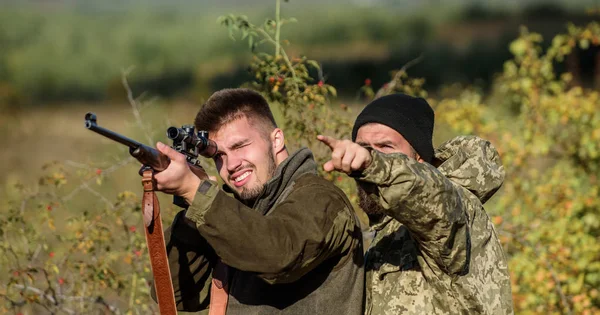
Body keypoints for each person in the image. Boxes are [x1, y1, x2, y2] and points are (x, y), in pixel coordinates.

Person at [150, 88, 364, 315]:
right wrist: (193, 211)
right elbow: (176, 295)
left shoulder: (322, 199)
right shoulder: (235, 213)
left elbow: (278, 255)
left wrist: (198, 194)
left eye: (239, 146)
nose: (231, 164)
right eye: (218, 156)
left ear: (277, 139)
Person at [317, 93, 514, 315]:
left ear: (419, 159)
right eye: (364, 147)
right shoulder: (387, 231)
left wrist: (374, 165)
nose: (370, 154)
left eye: (385, 146)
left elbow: (432, 199)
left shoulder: (458, 211)